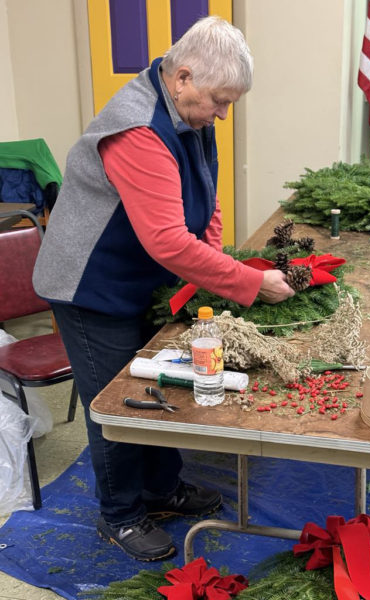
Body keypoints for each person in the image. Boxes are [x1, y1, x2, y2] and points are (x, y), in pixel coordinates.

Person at [33, 16, 295, 561]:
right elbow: (170, 243)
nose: (223, 114)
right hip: (90, 286)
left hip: (139, 274)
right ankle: (121, 515)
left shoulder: (191, 111)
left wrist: (217, 254)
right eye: (219, 101)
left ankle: (161, 489)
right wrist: (247, 282)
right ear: (182, 77)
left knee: (162, 383)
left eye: (229, 104)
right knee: (119, 402)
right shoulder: (137, 129)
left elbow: (205, 194)